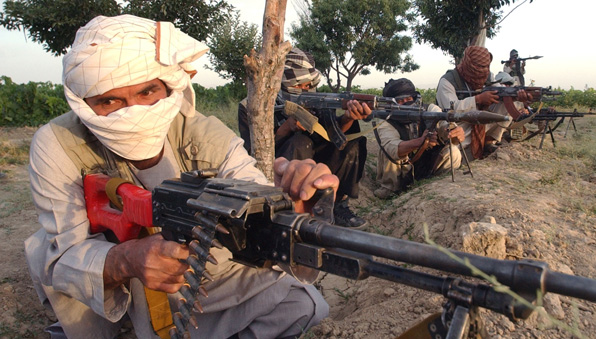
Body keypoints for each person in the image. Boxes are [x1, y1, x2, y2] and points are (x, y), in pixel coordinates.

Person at [25, 15, 334, 339]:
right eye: (109, 101)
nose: (131, 112)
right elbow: (63, 254)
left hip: (184, 275)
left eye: (147, 93)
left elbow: (254, 192)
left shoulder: (206, 136)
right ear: (84, 102)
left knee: (302, 303)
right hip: (106, 283)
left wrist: (295, 208)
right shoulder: (58, 144)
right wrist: (124, 261)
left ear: (169, 87)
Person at [238, 48, 371, 229]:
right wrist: (286, 128)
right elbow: (253, 153)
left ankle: (338, 204)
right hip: (278, 170)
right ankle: (291, 208)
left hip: (318, 166)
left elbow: (334, 135)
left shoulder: (316, 98)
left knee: (353, 138)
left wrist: (349, 118)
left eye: (309, 85)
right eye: (299, 85)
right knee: (299, 141)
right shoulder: (251, 107)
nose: (306, 89)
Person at [373, 78, 465, 199]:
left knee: (453, 151)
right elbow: (393, 148)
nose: (406, 103)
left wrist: (454, 132)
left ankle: (435, 186)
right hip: (402, 169)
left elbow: (444, 125)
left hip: (427, 163)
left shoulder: (429, 109)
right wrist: (421, 142)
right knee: (388, 153)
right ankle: (390, 190)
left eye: (409, 99)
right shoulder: (385, 120)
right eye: (400, 101)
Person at [436, 46, 530, 160]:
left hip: (479, 123)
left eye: (485, 67)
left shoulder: (487, 75)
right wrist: (478, 99)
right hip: (457, 126)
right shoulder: (447, 81)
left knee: (506, 100)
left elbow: (500, 92)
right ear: (468, 65)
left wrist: (518, 97)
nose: (482, 71)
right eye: (479, 67)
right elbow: (451, 110)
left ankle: (489, 141)